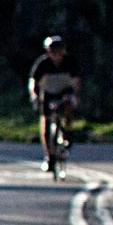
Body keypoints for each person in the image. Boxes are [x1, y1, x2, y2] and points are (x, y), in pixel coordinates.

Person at [28, 34, 83, 170]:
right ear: (48, 52)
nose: (56, 55)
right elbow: (33, 82)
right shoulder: (43, 64)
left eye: (59, 51)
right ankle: (49, 156)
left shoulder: (69, 62)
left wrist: (76, 95)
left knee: (68, 107)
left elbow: (76, 81)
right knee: (46, 122)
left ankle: (68, 133)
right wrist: (34, 96)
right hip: (48, 93)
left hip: (64, 92)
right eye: (53, 51)